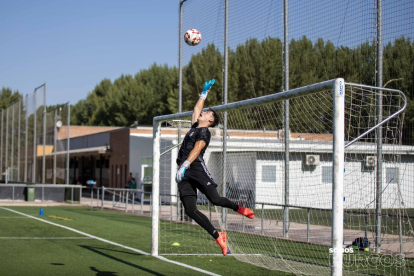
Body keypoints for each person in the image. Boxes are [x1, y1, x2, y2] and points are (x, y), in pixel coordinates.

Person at [175, 79, 255, 256]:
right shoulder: (195, 126)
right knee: (190, 209)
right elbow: (196, 110)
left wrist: (186, 165)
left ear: (210, 120)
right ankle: (218, 236)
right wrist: (204, 93)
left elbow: (197, 149)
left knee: (215, 200)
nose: (203, 112)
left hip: (194, 167)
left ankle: (239, 208)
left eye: (207, 112)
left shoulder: (204, 132)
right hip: (184, 171)